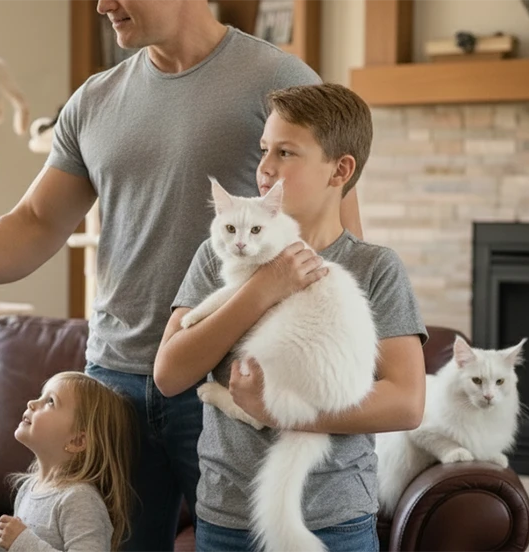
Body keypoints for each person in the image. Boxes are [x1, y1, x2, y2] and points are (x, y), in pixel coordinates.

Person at [0, 1, 361, 548]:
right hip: (111, 386)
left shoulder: (279, 81)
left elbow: (336, 233)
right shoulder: (94, 100)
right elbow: (37, 220)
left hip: (227, 377)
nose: (102, 5)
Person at [155, 83, 428, 551]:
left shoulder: (375, 267)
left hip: (337, 516)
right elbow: (169, 374)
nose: (265, 167)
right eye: (264, 149)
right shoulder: (218, 249)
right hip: (227, 513)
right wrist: (263, 288)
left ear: (340, 170)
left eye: (285, 152)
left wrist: (274, 411)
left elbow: (406, 403)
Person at [0, 372, 133, 552]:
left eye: (50, 401)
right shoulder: (28, 488)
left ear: (77, 441)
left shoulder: (80, 500)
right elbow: (18, 547)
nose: (31, 403)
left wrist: (21, 542)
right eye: (40, 397)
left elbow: (24, 545)